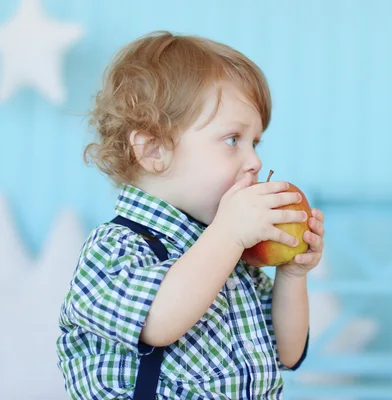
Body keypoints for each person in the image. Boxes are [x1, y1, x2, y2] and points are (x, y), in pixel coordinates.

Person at [56, 30, 325, 399]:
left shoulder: (235, 255)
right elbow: (159, 322)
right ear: (153, 149)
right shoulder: (114, 249)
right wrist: (228, 237)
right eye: (233, 139)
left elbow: (288, 354)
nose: (256, 161)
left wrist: (291, 274)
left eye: (256, 142)